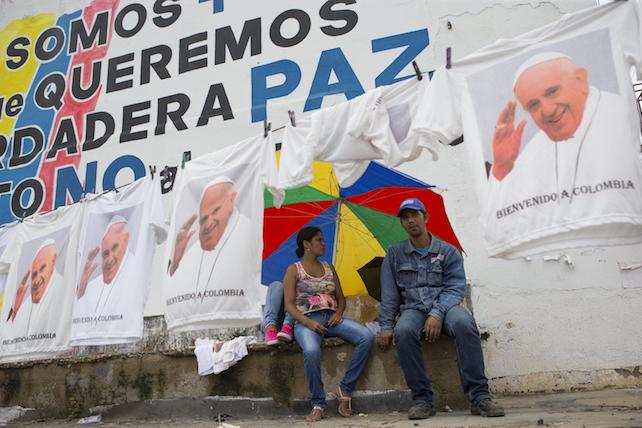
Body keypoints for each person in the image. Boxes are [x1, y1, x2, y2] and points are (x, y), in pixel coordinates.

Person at [377, 198, 504, 420]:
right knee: (403, 331)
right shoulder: (394, 254)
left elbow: (455, 289)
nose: (410, 221)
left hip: (447, 307)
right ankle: (422, 400)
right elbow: (389, 295)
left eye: (415, 215)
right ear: (402, 223)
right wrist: (386, 326)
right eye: (405, 217)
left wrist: (436, 314)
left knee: (465, 324)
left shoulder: (449, 251)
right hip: (413, 309)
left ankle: (479, 397)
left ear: (425, 217)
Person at [283, 226, 374, 422]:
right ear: (307, 245)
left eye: (323, 240)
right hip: (306, 322)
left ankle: (345, 389)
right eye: (319, 240)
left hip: (332, 319)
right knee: (311, 351)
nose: (324, 243)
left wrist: (339, 313)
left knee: (366, 337)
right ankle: (318, 403)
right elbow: (289, 306)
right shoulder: (293, 270)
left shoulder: (329, 267)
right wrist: (309, 323)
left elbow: (341, 298)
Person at [76, 216, 133, 320]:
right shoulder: (93, 285)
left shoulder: (134, 274)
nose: (109, 259)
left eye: (115, 248)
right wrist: (83, 283)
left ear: (126, 243)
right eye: (105, 254)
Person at [6, 239, 65, 337]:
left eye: (42, 268)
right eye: (34, 275)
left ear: (53, 261)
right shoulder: (26, 304)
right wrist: (16, 310)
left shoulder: (64, 288)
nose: (36, 280)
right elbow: (10, 337)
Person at [262, 281, 294, 345]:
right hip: (274, 321)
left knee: (294, 283)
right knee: (276, 285)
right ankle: (270, 329)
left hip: (294, 322)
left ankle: (288, 326)